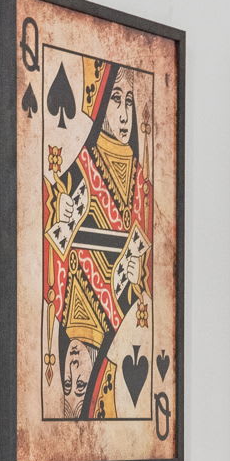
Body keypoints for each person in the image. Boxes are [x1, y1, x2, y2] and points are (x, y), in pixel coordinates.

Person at [44, 59, 152, 419]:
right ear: (103, 108)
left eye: (129, 102)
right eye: (116, 100)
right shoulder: (84, 163)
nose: (123, 114)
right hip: (84, 305)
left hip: (112, 307)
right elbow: (56, 236)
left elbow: (143, 261)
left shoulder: (139, 179)